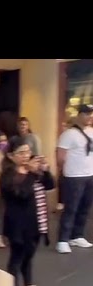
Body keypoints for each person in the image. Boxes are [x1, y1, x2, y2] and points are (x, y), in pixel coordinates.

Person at [0, 137, 54, 286]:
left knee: (29, 255)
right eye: (21, 152)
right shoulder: (8, 176)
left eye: (28, 152)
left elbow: (50, 185)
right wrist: (30, 173)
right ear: (10, 155)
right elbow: (21, 194)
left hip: (36, 221)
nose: (25, 156)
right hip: (17, 223)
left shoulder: (32, 172)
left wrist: (44, 171)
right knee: (17, 256)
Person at [55, 104, 93, 254]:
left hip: (89, 175)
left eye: (91, 114)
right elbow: (60, 156)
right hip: (74, 176)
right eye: (86, 114)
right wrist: (63, 171)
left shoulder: (91, 132)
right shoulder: (68, 134)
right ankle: (63, 240)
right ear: (79, 115)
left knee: (85, 207)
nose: (89, 117)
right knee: (71, 208)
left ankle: (77, 235)